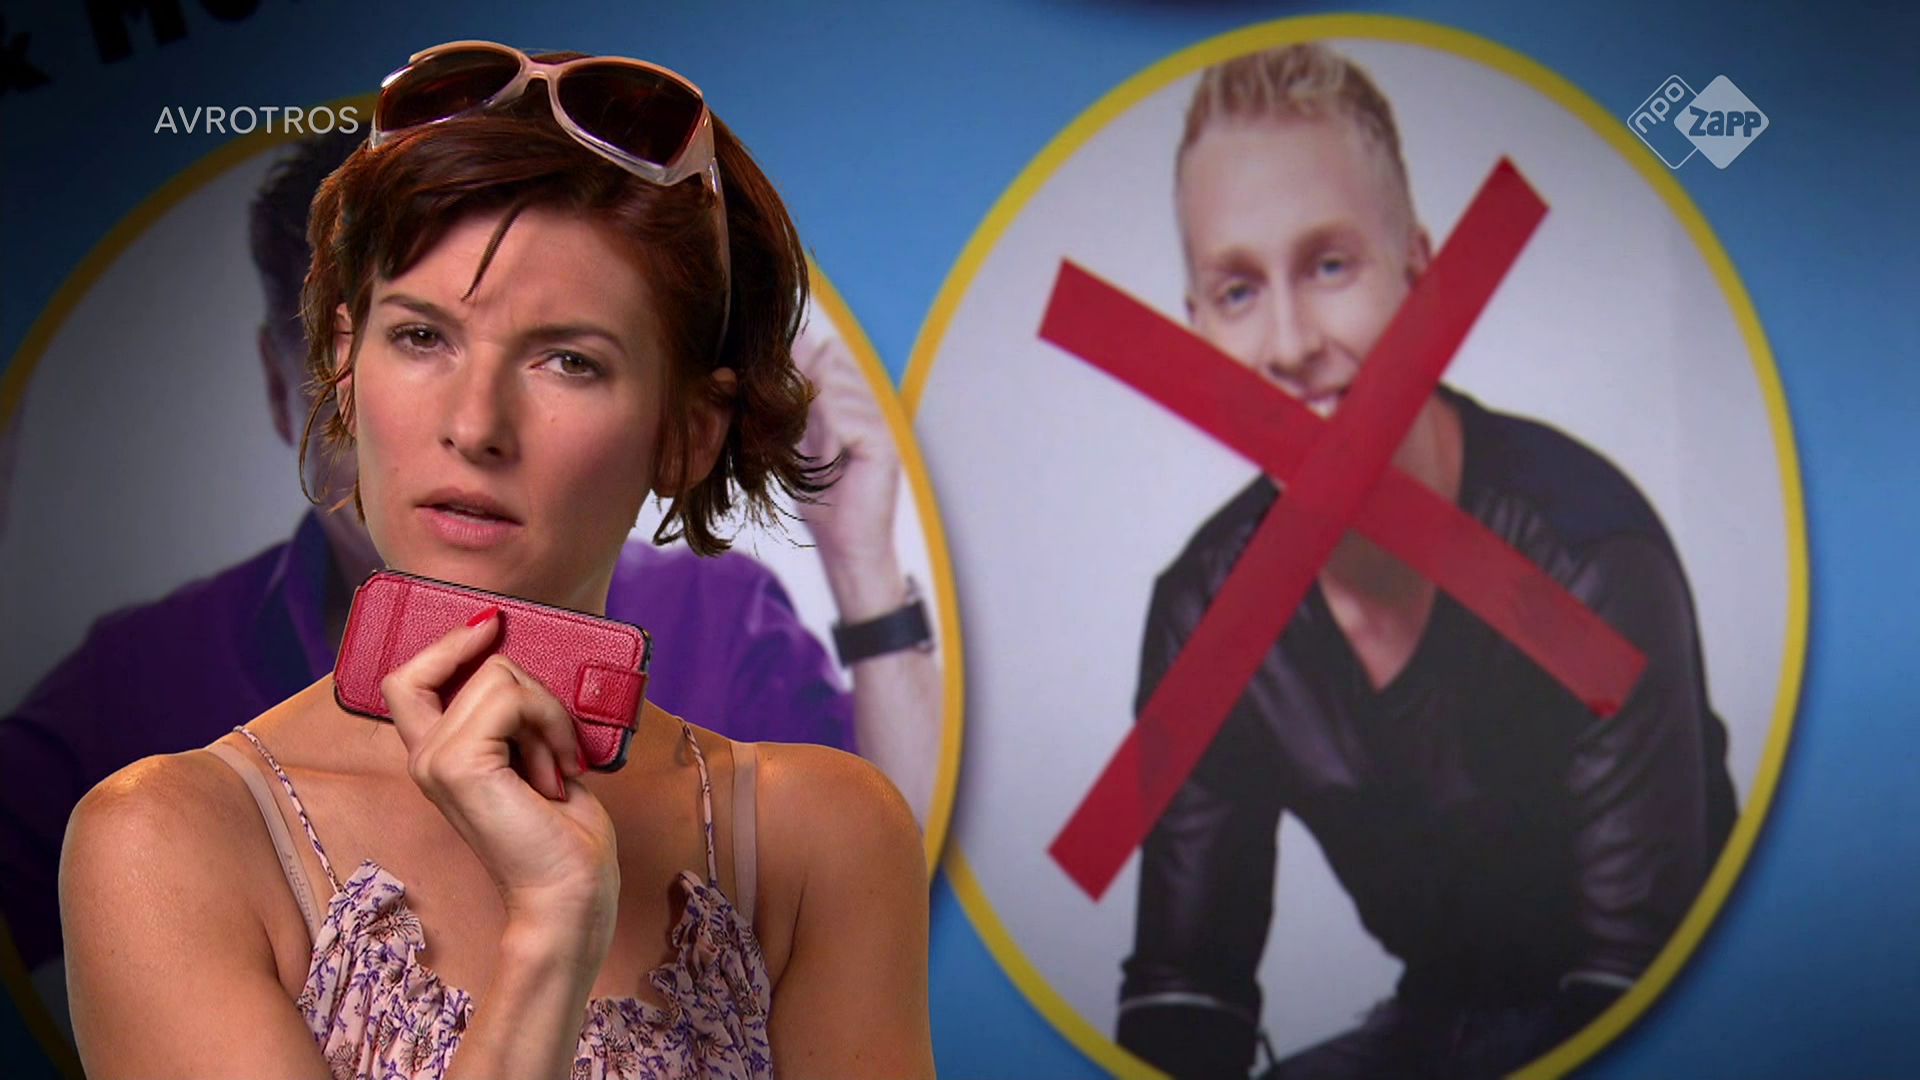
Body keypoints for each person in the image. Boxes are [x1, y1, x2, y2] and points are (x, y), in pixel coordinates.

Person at [56, 42, 933, 1078]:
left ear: (689, 431)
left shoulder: (821, 842)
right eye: (421, 337)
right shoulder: (164, 844)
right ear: (343, 365)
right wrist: (555, 924)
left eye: (569, 360)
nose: (474, 426)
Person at [1113, 44, 1737, 1079]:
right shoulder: (1205, 616)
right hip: (1439, 1022)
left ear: (1420, 275)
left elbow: (1634, 995)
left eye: (1329, 266)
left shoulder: (1589, 559)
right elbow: (1188, 990)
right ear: (1196, 332)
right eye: (1236, 290)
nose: (1288, 345)